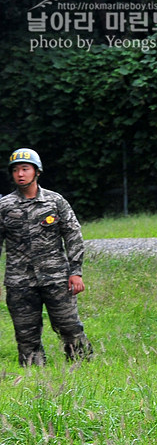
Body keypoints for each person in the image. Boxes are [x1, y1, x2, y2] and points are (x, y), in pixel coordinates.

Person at [0, 148, 93, 366]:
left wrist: (76, 272)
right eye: (15, 170)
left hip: (57, 279)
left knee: (70, 327)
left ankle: (82, 369)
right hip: (19, 283)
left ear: (37, 171)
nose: (20, 174)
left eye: (25, 168)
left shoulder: (54, 202)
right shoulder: (4, 207)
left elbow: (73, 235)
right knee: (26, 334)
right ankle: (35, 376)